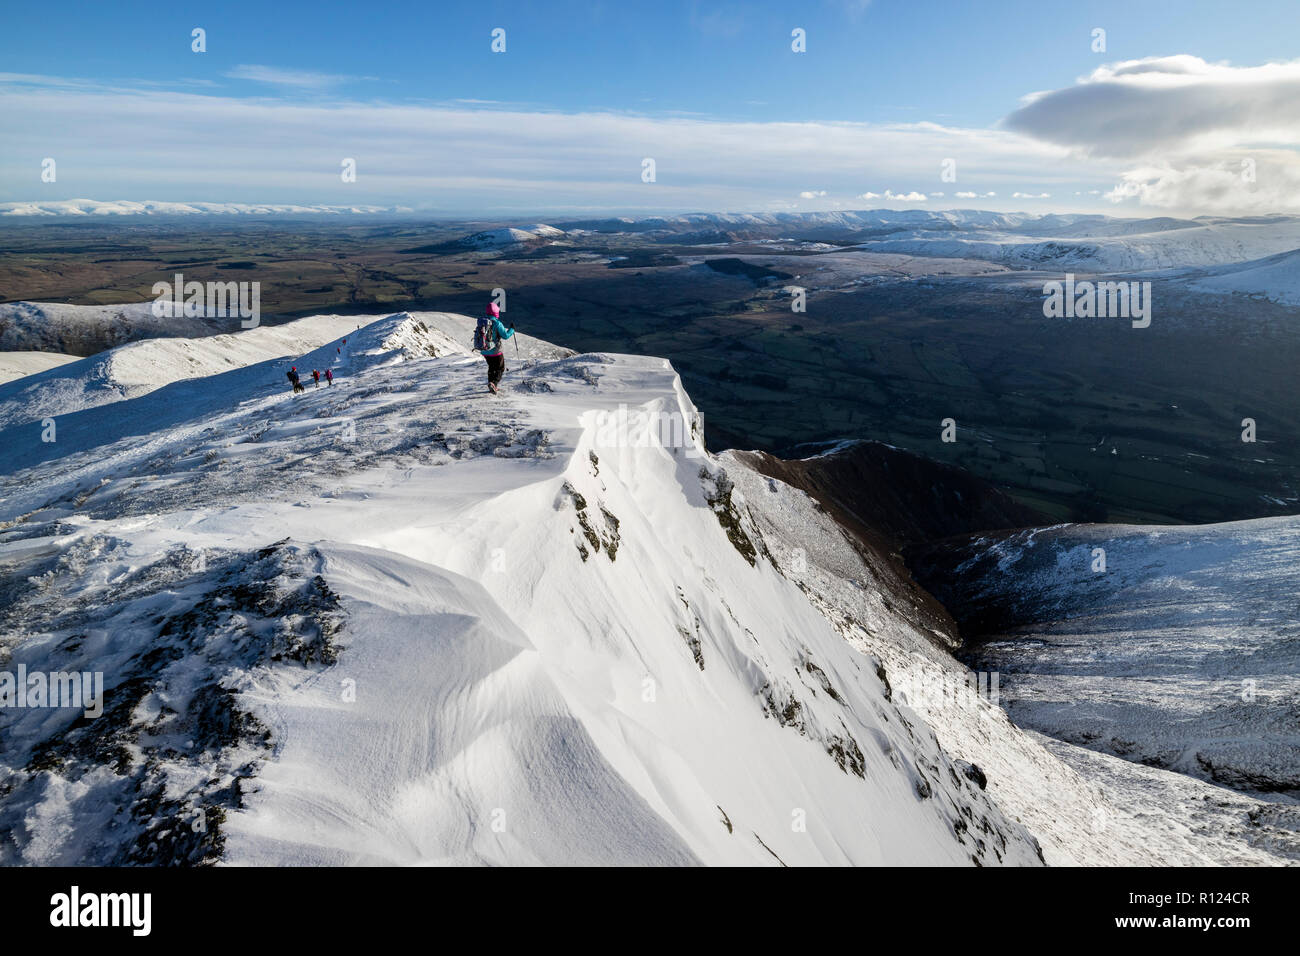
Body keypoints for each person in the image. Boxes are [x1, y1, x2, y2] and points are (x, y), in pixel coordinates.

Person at [473, 302, 515, 394]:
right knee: (500, 368)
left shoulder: (482, 322)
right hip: (495, 351)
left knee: (491, 367)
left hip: (484, 351)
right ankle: (494, 384)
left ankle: (491, 384)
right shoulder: (497, 323)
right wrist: (512, 329)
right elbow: (505, 336)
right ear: (496, 312)